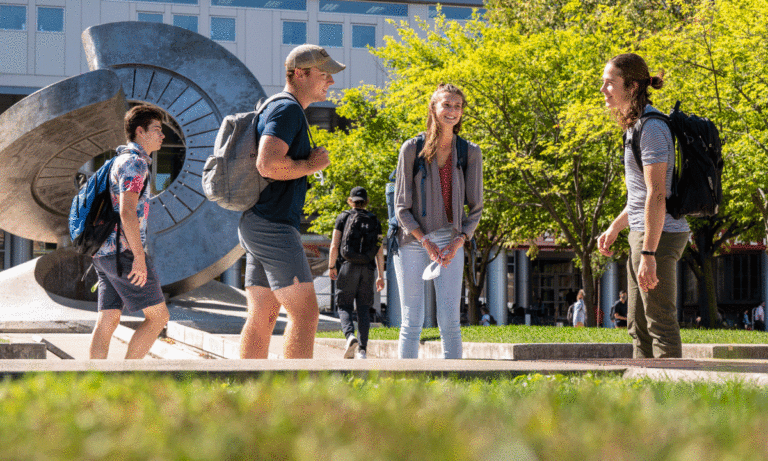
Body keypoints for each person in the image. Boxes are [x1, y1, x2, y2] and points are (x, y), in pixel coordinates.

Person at [238, 44, 344, 359]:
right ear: (299, 73)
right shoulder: (287, 109)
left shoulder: (279, 107)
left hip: (258, 221)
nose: (331, 82)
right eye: (324, 75)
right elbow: (267, 164)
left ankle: (245, 391)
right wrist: (312, 165)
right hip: (273, 225)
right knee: (306, 314)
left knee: (263, 314)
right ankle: (296, 399)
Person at [597, 53, 690, 358]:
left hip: (658, 236)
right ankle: (644, 395)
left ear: (632, 86)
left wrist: (649, 253)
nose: (603, 90)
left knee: (658, 321)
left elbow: (657, 194)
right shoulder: (634, 128)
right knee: (638, 325)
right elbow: (640, 196)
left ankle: (672, 396)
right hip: (643, 231)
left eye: (610, 83)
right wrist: (614, 227)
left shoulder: (651, 128)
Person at [393, 83, 483, 359]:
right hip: (412, 240)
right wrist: (425, 241)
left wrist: (459, 240)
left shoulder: (470, 152)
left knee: (450, 322)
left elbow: (476, 208)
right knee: (411, 321)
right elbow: (401, 207)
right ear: (433, 108)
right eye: (447, 105)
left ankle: (452, 388)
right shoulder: (412, 148)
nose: (452, 111)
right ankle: (403, 389)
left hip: (450, 241)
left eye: (457, 106)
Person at [89, 105, 170, 359]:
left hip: (102, 251)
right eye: (157, 129)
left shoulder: (117, 160)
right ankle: (127, 377)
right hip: (122, 252)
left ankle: (94, 384)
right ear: (140, 131)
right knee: (158, 317)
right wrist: (138, 256)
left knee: (108, 319)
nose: (162, 135)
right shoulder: (135, 163)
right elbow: (127, 212)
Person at [328, 186, 385, 359]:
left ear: (350, 200)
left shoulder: (343, 217)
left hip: (347, 266)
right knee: (363, 309)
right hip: (368, 269)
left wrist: (332, 266)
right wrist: (381, 276)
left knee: (344, 305)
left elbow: (334, 245)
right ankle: (362, 350)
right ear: (366, 201)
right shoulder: (375, 220)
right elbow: (379, 250)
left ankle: (350, 336)